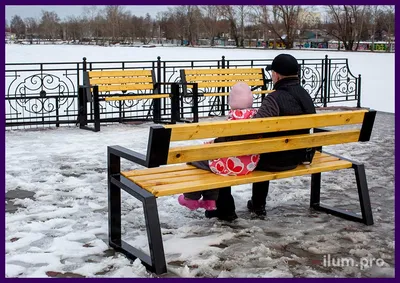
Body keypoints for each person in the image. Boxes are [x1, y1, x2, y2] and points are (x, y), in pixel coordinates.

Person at [206, 53, 317, 221]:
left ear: (277, 75)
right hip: (298, 156)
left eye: (272, 73)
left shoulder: (274, 98)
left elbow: (252, 131)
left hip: (274, 160)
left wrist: (219, 142)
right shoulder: (305, 96)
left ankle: (225, 209)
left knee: (223, 153)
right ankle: (258, 205)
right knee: (265, 147)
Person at [178, 82, 260, 211]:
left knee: (195, 160)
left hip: (230, 164)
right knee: (209, 164)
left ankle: (191, 198)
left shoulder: (233, 118)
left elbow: (224, 141)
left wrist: (211, 144)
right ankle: (209, 201)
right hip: (249, 164)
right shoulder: (257, 116)